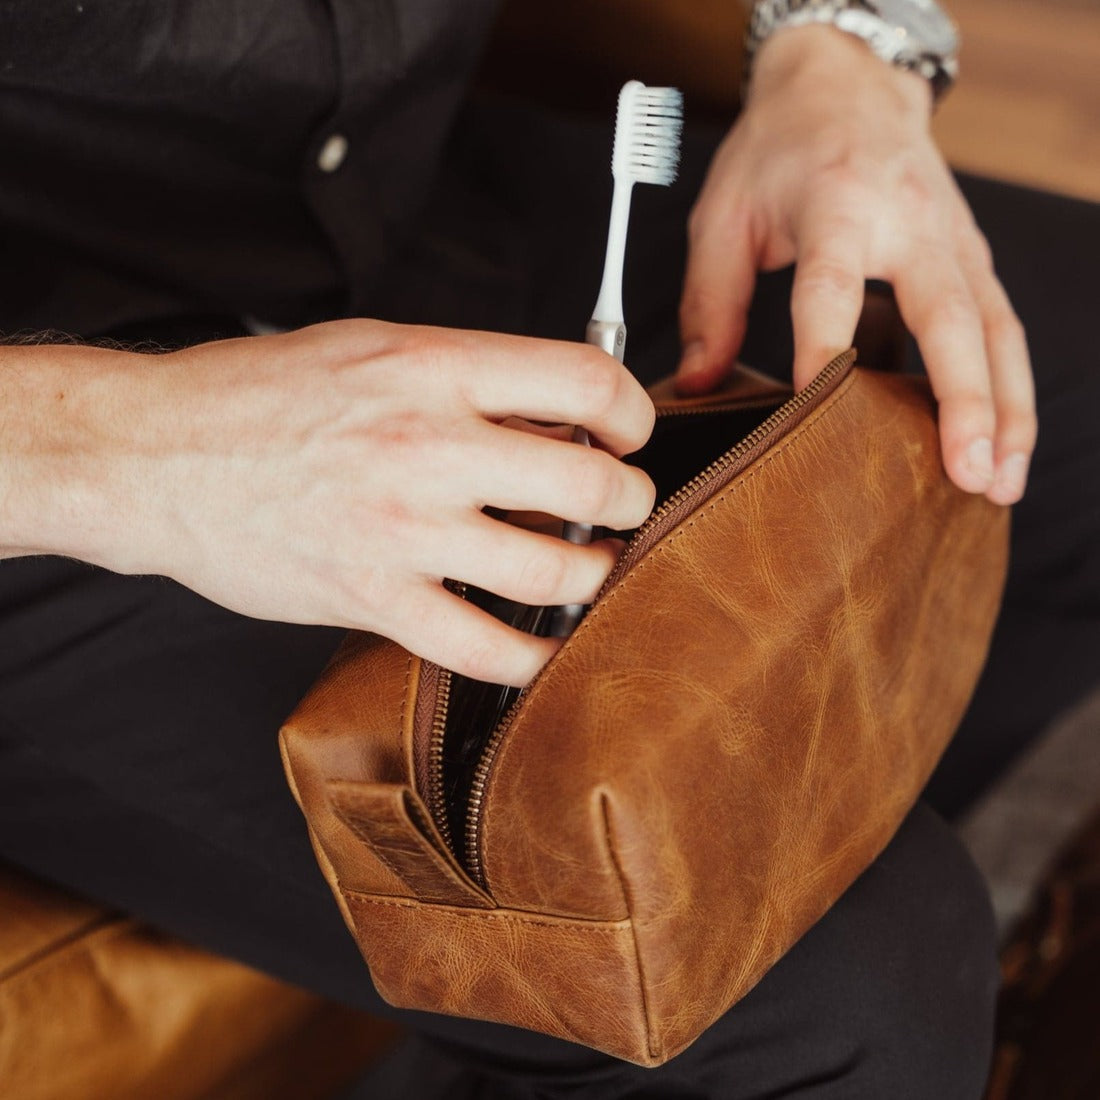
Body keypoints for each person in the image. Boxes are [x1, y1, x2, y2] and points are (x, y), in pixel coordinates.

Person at [0, 2, 1096, 1096]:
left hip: (403, 205)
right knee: (858, 976)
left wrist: (846, 60)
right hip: (54, 486)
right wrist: (129, 444)